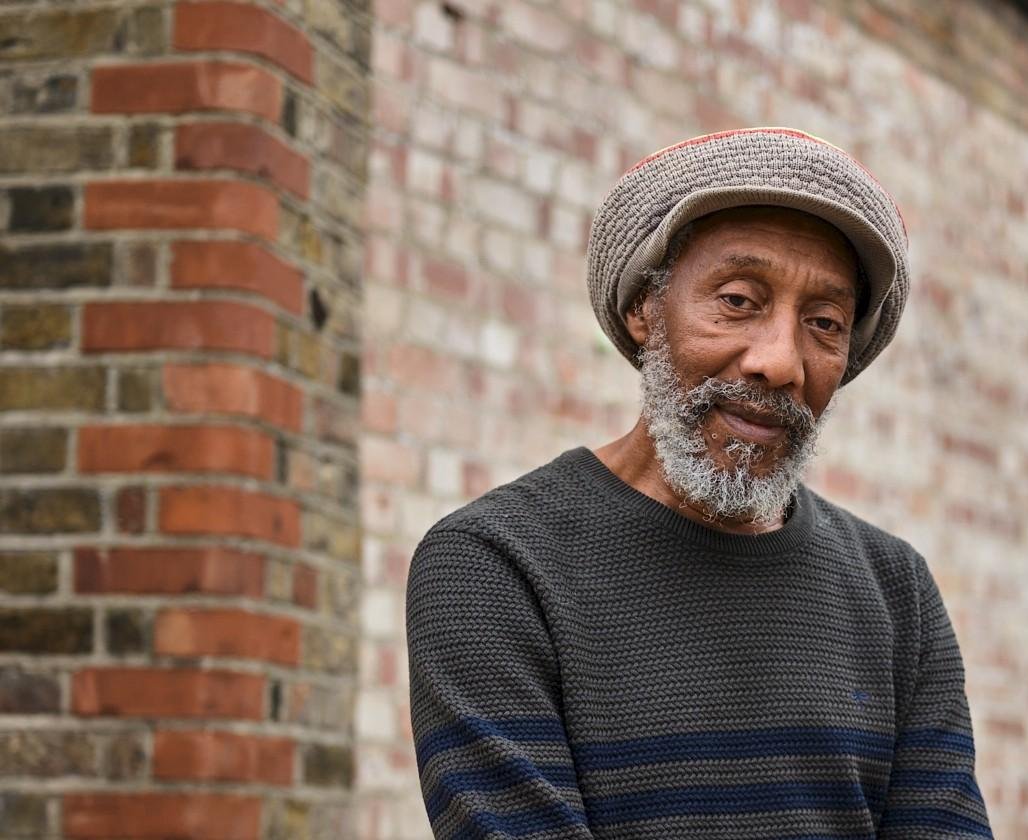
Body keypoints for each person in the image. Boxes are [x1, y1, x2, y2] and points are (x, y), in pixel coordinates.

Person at [406, 127, 994, 839]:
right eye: (739, 300)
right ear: (643, 311)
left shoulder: (894, 590)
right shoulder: (494, 564)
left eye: (824, 323)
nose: (779, 361)